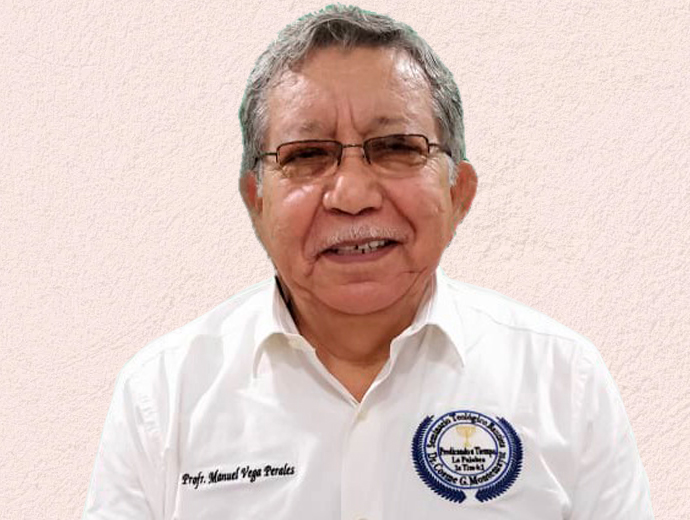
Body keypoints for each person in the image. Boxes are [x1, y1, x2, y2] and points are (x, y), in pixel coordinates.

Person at [83, 5, 654, 519]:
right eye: (308, 155)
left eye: (397, 147)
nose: (352, 194)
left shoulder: (564, 382)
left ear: (460, 192)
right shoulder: (162, 396)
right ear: (255, 200)